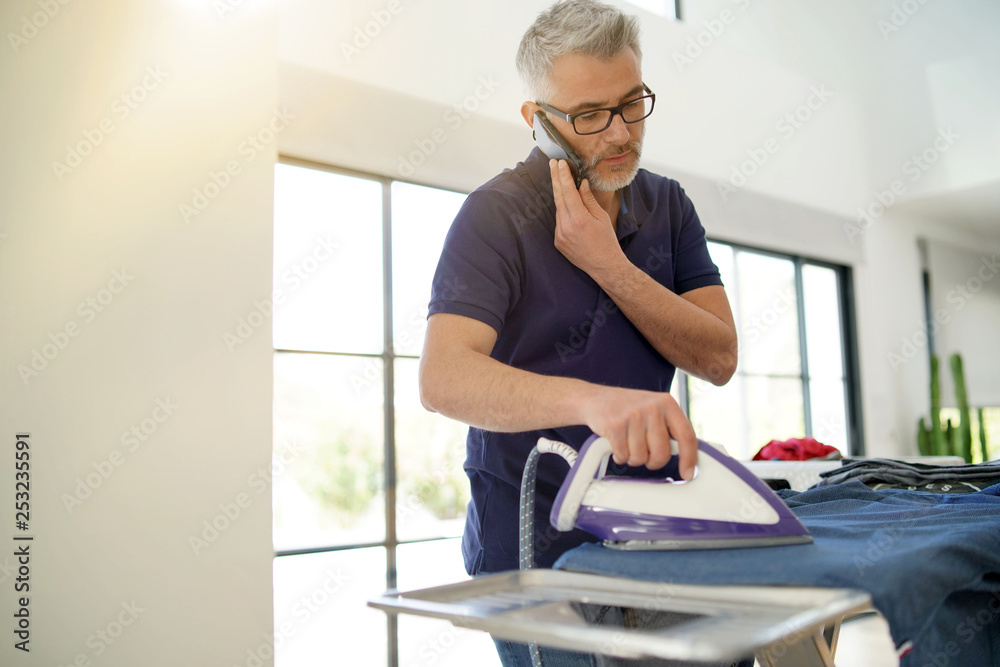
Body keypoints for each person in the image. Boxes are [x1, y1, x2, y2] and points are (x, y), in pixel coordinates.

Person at [419, 0, 739, 664]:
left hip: (647, 537)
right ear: (538, 122)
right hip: (533, 553)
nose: (620, 133)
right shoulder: (495, 216)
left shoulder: (669, 206)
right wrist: (591, 401)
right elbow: (443, 377)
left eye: (632, 103)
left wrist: (608, 262)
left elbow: (719, 354)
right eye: (590, 116)